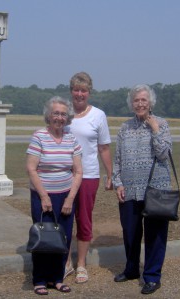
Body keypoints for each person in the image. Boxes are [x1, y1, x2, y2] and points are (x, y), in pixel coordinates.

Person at [112, 84, 172, 295]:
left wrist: (155, 130)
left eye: (143, 100)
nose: (140, 104)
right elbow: (117, 160)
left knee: (155, 235)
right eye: (136, 100)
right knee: (130, 233)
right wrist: (117, 182)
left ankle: (153, 276)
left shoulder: (162, 124)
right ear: (131, 103)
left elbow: (164, 154)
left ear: (150, 102)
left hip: (156, 190)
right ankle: (131, 270)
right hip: (129, 190)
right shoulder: (124, 128)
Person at [26, 96, 83, 295]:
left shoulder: (71, 139)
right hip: (43, 197)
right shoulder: (39, 136)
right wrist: (43, 196)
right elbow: (31, 169)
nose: (59, 117)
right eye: (55, 113)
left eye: (63, 114)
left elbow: (78, 171)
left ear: (67, 117)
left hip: (66, 195)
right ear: (48, 116)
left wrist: (70, 198)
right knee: (44, 238)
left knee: (63, 239)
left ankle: (57, 278)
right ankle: (40, 279)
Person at [65, 72, 113, 284]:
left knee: (83, 219)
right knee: (63, 219)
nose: (79, 93)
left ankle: (81, 264)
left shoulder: (98, 115)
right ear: (71, 91)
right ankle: (65, 262)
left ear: (89, 92)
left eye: (83, 90)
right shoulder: (62, 113)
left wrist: (111, 174)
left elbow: (103, 148)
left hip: (89, 175)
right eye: (76, 89)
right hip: (63, 176)